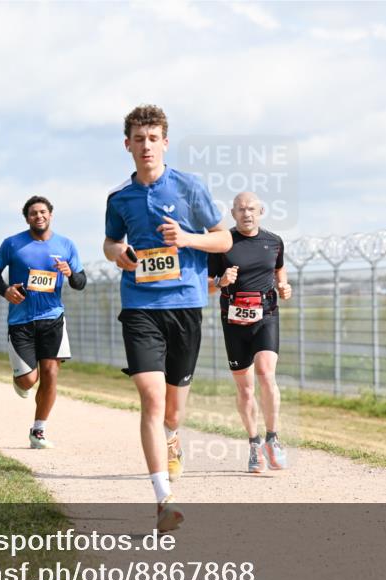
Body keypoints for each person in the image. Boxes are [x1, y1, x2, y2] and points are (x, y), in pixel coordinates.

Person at [102, 104, 231, 531]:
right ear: (127, 145)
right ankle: (163, 500)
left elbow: (223, 237)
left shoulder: (189, 187)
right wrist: (117, 253)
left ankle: (173, 438)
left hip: (185, 305)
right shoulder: (120, 198)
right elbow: (110, 242)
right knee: (152, 399)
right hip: (140, 306)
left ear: (165, 143)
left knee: (173, 411)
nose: (146, 146)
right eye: (138, 139)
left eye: (153, 138)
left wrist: (188, 237)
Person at [0, 196, 86, 449]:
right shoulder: (13, 244)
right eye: (33, 213)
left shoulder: (66, 245)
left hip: (52, 317)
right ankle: (20, 378)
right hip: (20, 320)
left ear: (50, 215)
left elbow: (80, 282)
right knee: (29, 380)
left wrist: (70, 273)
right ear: (27, 218)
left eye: (42, 212)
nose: (38, 216)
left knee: (51, 373)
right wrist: (5, 290)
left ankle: (38, 430)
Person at [208, 192, 292, 473]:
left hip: (266, 315)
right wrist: (220, 281)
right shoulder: (223, 244)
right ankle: (254, 443)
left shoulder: (274, 241)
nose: (247, 214)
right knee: (245, 389)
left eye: (252, 209)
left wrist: (284, 286)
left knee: (266, 373)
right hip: (233, 320)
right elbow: (206, 284)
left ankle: (273, 438)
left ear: (262, 211)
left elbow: (280, 270)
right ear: (233, 213)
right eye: (241, 209)